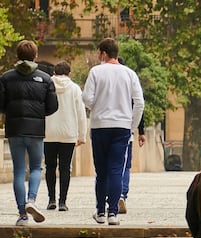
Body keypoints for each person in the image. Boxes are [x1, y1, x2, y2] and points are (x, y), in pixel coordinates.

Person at [82, 38, 144, 225]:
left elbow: (86, 98)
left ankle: (100, 211)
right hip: (122, 127)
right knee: (116, 169)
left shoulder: (96, 72)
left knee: (101, 172)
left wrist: (97, 106)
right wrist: (132, 125)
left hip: (100, 125)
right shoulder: (130, 74)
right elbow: (139, 102)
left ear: (103, 53)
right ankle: (113, 213)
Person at [0, 40, 58, 226]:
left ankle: (22, 214)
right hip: (35, 131)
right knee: (35, 168)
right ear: (35, 56)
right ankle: (31, 201)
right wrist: (38, 114)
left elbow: (1, 104)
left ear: (17, 56)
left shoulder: (6, 78)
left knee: (18, 171)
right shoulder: (45, 78)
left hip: (15, 129)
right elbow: (52, 106)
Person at [44, 61, 87, 211]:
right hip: (68, 134)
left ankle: (51, 199)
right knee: (65, 168)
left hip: (48, 133)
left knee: (50, 167)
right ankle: (62, 202)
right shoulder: (75, 89)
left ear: (54, 73)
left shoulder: (47, 85)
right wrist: (82, 135)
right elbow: (81, 113)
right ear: (69, 73)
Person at [116, 57, 146, 214]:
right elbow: (139, 105)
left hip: (105, 128)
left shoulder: (103, 79)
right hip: (125, 130)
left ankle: (109, 198)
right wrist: (138, 130)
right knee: (125, 166)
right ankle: (121, 194)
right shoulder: (130, 79)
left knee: (110, 166)